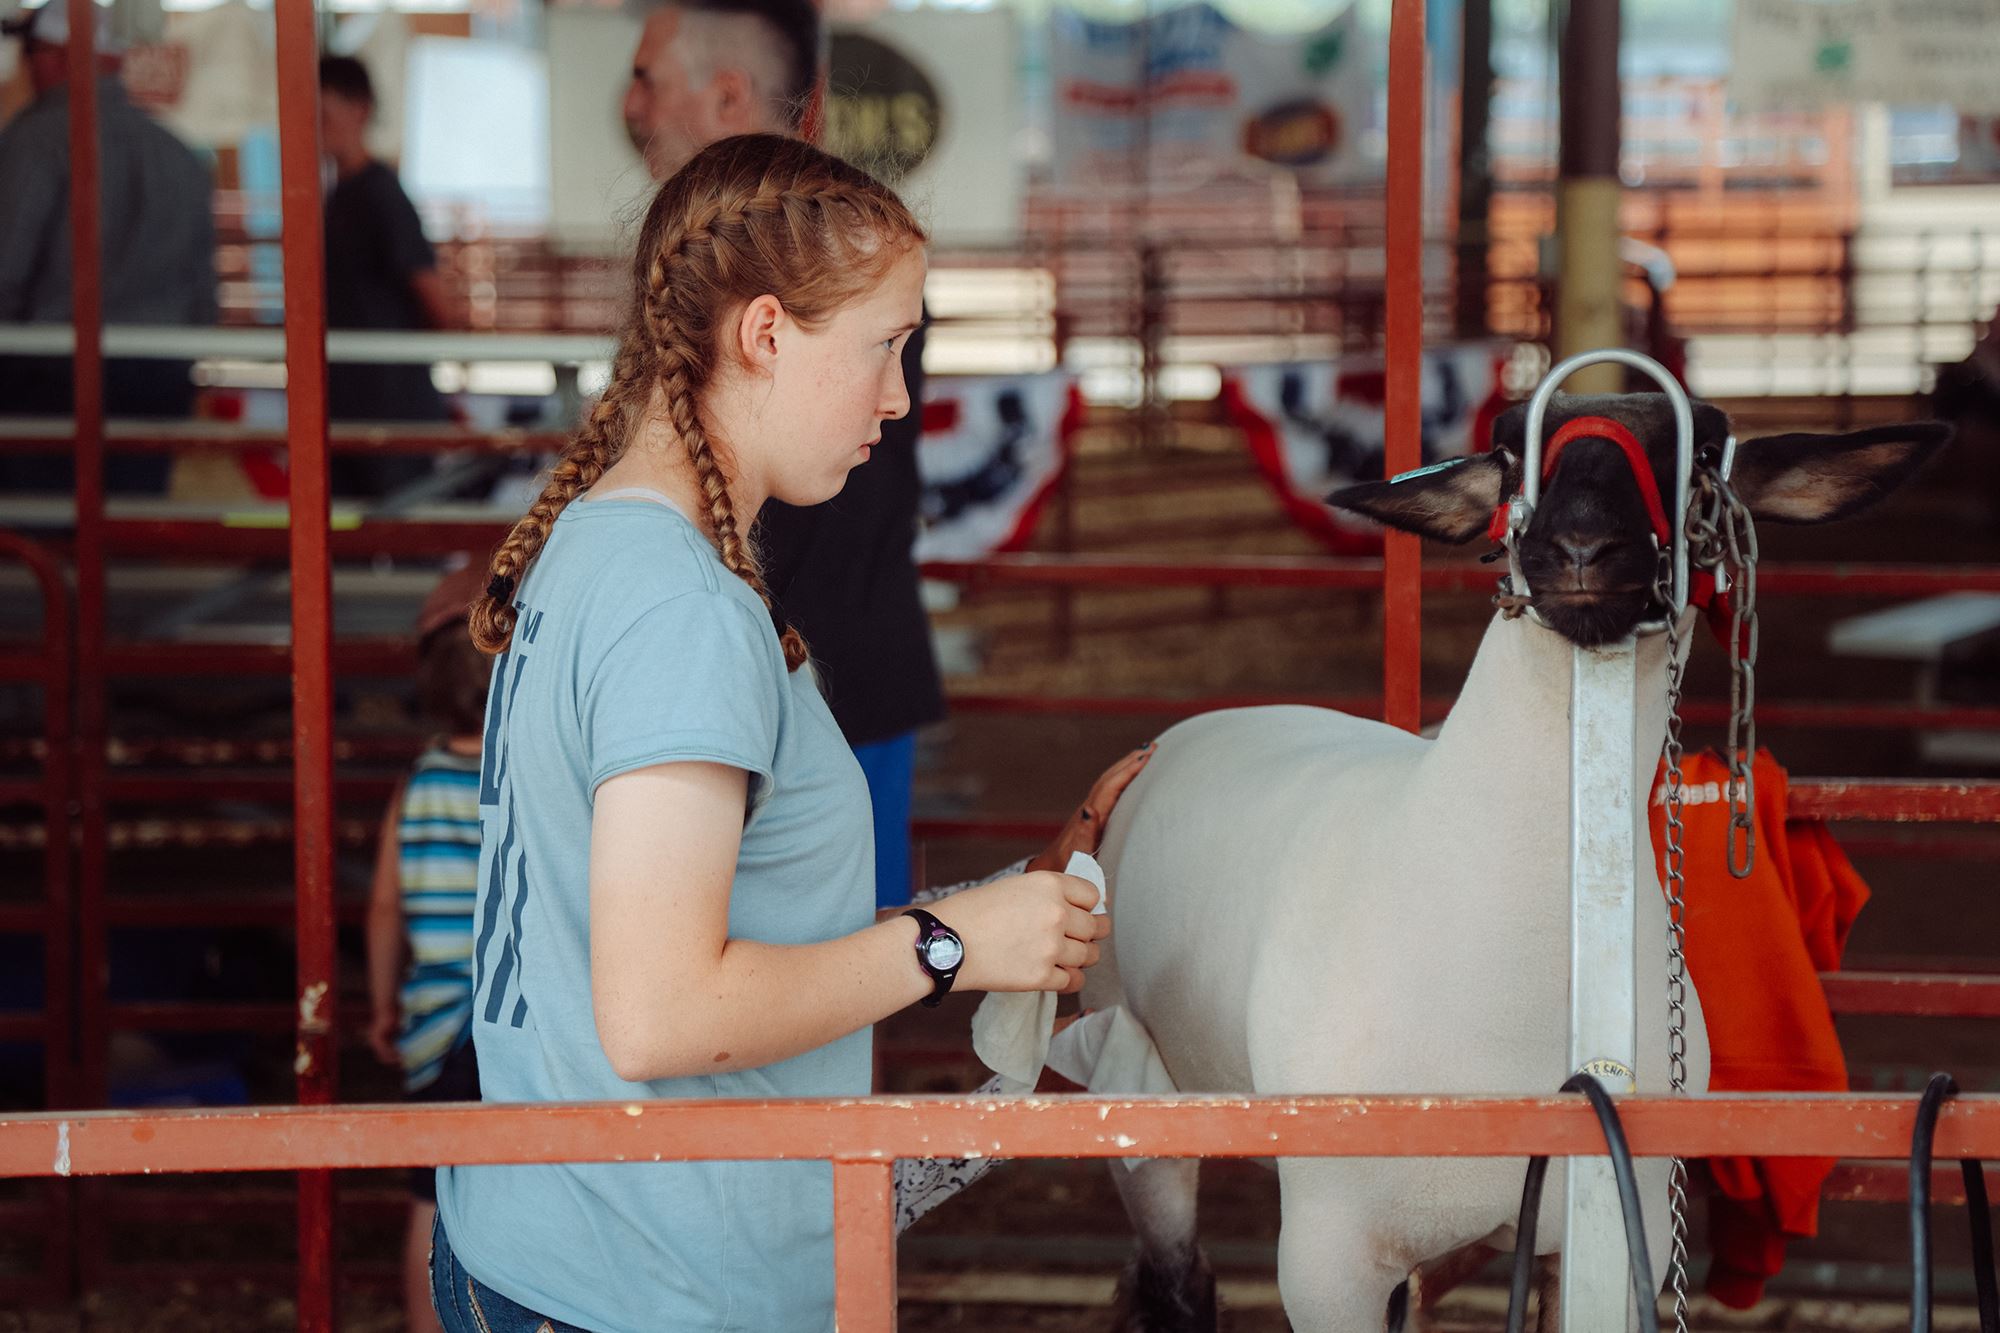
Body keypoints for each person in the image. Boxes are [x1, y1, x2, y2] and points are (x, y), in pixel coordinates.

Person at [430, 134, 1132, 1333]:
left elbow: (691, 927)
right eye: (884, 344)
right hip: (650, 1285)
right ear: (763, 333)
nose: (899, 395)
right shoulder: (683, 609)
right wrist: (946, 942)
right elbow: (662, 1015)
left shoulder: (604, 546)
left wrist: (989, 913)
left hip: (563, 1244)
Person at [624, 0, 945, 910]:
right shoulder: (703, 266)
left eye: (650, 79)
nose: (635, 106)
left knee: (849, 955)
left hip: (824, 659)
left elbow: (838, 490)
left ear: (728, 93)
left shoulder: (845, 258)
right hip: (742, 652)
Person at [0, 0, 216, 494]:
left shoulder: (32, 144)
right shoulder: (179, 155)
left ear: (56, 58)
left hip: (50, 375)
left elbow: (5, 270)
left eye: (32, 51)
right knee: (128, 525)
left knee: (40, 533)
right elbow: (203, 296)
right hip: (157, 379)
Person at [364, 561, 489, 1333]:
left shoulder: (417, 784)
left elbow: (385, 906)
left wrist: (384, 1004)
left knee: (430, 1196)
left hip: (436, 1019)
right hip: (513, 1024)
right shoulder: (531, 775)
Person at [317, 54, 451, 496]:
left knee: (398, 538)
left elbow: (437, 301)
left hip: (389, 407)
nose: (318, 125)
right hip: (353, 402)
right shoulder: (341, 197)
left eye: (324, 112)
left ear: (361, 109)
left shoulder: (381, 195)